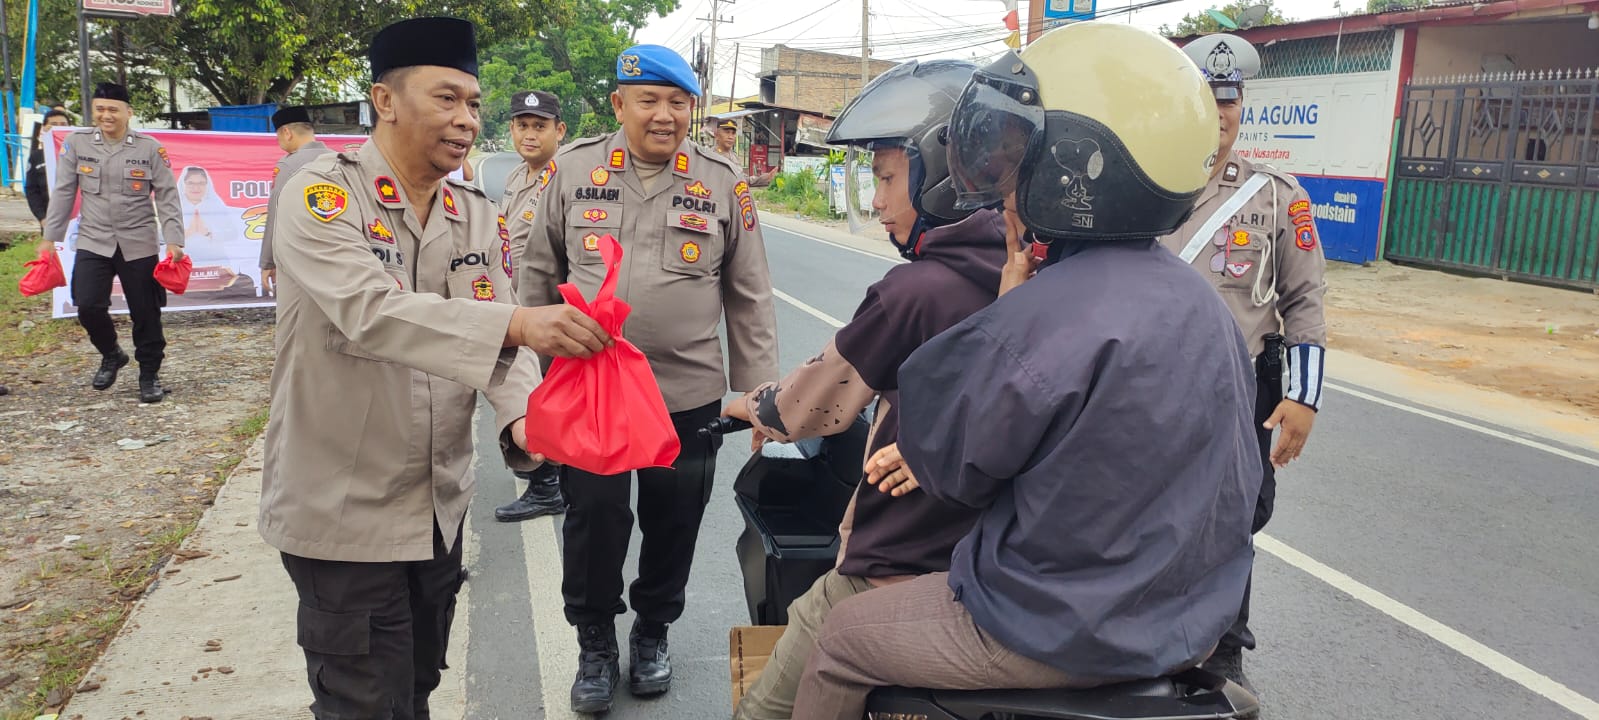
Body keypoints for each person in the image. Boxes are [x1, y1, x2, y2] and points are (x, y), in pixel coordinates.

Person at [786, 22, 1263, 719]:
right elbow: (1249, 496)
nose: (1002, 185)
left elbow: (953, 469)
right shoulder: (1200, 302)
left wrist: (1012, 303)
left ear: (1072, 167)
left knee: (840, 637)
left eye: (1016, 160)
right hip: (1187, 625)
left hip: (1058, 629)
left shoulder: (1039, 315)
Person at [259, 17, 614, 719]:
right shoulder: (321, 196)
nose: (466, 120)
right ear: (384, 100)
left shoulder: (473, 213)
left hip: (436, 507)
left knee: (416, 690)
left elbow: (505, 353)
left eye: (474, 104)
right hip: (343, 513)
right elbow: (372, 312)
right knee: (367, 705)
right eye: (446, 98)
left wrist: (525, 426)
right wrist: (517, 323)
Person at [721, 58, 1009, 720]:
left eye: (884, 178)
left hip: (902, 559)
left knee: (765, 707)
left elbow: (806, 404)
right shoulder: (1031, 274)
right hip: (1002, 575)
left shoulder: (915, 291)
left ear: (941, 173)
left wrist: (742, 405)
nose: (876, 199)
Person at [519, 43, 779, 713]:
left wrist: (757, 394)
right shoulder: (573, 171)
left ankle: (653, 632)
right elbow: (537, 276)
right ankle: (595, 644)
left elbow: (748, 296)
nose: (664, 116)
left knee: (673, 522)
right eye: (649, 101)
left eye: (678, 103)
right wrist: (543, 374)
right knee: (595, 520)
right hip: (593, 392)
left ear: (691, 108)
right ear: (619, 105)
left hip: (685, 394)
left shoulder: (722, 180)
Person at [1163, 32, 1329, 693]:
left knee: (1233, 518)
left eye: (1228, 98)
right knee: (1143, 505)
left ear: (1242, 105)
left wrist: (1303, 399)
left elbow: (1305, 304)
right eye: (1206, 96)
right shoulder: (1146, 187)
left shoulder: (1275, 196)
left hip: (1239, 388)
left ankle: (1224, 647)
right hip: (1149, 383)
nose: (1220, 110)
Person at [40, 82, 185, 404]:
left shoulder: (149, 148)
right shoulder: (77, 144)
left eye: (113, 110)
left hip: (139, 242)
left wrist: (174, 239)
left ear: (128, 113)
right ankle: (111, 354)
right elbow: (64, 191)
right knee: (88, 304)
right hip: (94, 239)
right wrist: (50, 237)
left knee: (146, 313)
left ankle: (149, 374)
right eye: (100, 109)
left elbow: (167, 195)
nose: (106, 115)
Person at [493, 88, 570, 523]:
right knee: (530, 390)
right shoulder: (517, 177)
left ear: (559, 131)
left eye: (539, 126)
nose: (529, 134)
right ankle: (549, 476)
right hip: (516, 301)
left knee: (538, 395)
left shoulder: (564, 179)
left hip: (545, 305)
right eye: (522, 125)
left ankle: (548, 487)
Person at [259, 105, 332, 296]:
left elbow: (276, 213)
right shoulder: (341, 160)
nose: (279, 143)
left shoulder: (289, 165)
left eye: (278, 138)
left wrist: (268, 262)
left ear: (287, 132)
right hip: (341, 254)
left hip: (302, 256)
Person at [26, 109, 73, 231]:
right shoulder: (37, 157)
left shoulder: (80, 153)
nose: (58, 129)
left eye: (63, 125)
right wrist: (42, 218)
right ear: (44, 128)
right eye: (54, 125)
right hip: (50, 220)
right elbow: (32, 190)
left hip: (78, 220)